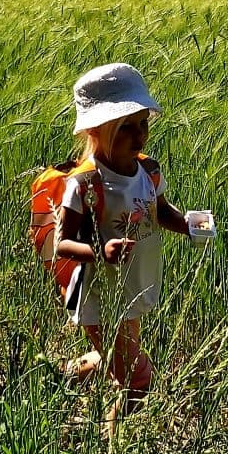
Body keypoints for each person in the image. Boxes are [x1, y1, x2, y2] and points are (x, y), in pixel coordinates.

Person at [53, 63, 192, 425]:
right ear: (97, 131)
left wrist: (189, 224)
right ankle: (111, 447)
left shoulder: (148, 170)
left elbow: (160, 212)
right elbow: (63, 243)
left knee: (113, 358)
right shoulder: (84, 184)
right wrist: (101, 251)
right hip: (101, 296)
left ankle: (59, 378)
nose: (139, 136)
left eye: (143, 124)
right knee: (137, 380)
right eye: (126, 128)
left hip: (132, 288)